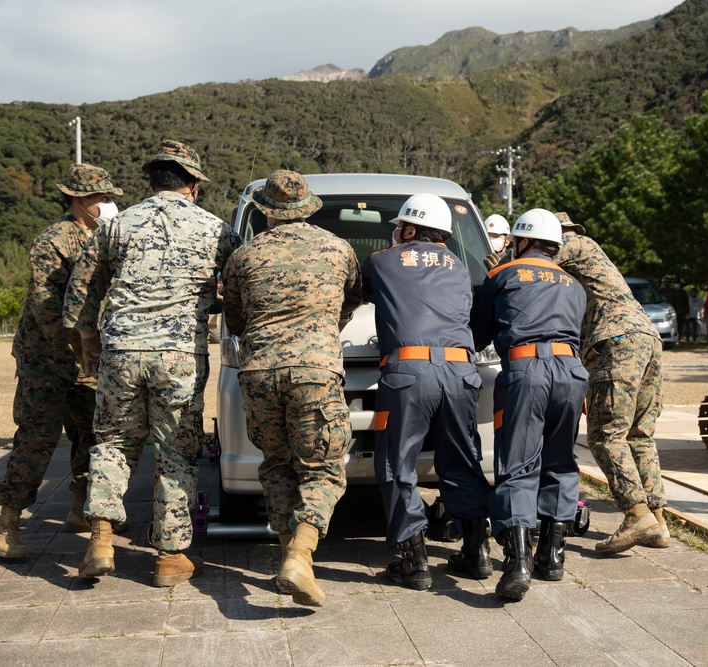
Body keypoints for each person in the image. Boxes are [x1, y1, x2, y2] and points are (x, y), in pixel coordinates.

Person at [63, 140, 243, 586]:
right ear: (194, 186)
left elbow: (80, 292)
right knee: (176, 453)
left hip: (121, 351)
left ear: (150, 182)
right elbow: (241, 287)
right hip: (179, 356)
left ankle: (101, 540)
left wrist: (90, 343)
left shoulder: (117, 225)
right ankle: (169, 557)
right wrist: (208, 303)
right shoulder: (217, 230)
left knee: (112, 444)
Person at [221, 170, 362, 608]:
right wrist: (320, 332)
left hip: (259, 370)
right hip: (315, 370)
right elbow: (350, 302)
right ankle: (301, 556)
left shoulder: (244, 255)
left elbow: (236, 320)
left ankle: (288, 555)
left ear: (266, 211)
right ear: (308, 207)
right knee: (322, 466)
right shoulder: (338, 249)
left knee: (277, 463)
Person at [0, 163, 123, 560]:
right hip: (48, 358)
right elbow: (46, 306)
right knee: (37, 438)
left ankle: (81, 511)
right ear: (79, 200)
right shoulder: (54, 240)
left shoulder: (103, 237)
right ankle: (6, 527)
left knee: (91, 434)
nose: (110, 204)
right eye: (103, 198)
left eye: (111, 197)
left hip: (85, 358)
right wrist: (78, 344)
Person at [362, 193, 491, 591]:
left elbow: (354, 295)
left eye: (399, 228)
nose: (395, 234)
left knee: (396, 464)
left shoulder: (381, 261)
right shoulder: (461, 265)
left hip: (409, 373)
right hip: (460, 371)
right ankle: (477, 551)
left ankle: (414, 561)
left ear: (411, 228)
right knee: (462, 460)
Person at [470, 209, 588, 600]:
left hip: (526, 369)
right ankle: (552, 557)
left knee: (518, 465)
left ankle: (518, 561)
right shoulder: (574, 284)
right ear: (554, 245)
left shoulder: (501, 275)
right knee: (560, 461)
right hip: (571, 373)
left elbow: (477, 331)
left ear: (519, 242)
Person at [552, 212, 668, 554]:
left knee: (605, 435)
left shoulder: (572, 244)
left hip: (616, 341)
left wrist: (502, 261)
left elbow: (532, 263)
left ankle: (636, 515)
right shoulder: (588, 254)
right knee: (639, 436)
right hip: (645, 337)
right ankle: (658, 522)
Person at [659, 278, 688, 343]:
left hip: (675, 311)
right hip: (663, 311)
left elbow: (678, 302)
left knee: (678, 325)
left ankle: (678, 338)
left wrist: (677, 311)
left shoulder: (674, 292)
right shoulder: (659, 291)